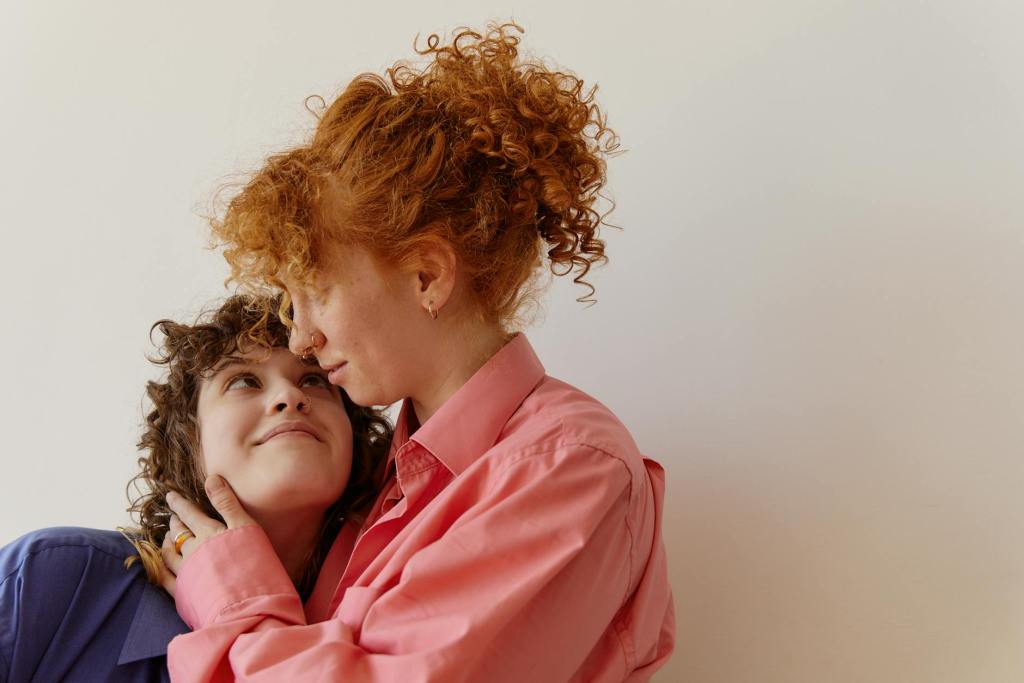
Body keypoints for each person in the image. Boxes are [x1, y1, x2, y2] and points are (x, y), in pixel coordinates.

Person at [162, 22, 675, 682]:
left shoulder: (572, 467)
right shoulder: (386, 484)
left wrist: (236, 598)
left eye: (316, 290)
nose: (301, 339)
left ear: (427, 275)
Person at [0, 295, 392, 682]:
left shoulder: (399, 611)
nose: (291, 397)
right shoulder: (53, 580)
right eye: (243, 381)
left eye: (313, 380)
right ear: (188, 438)